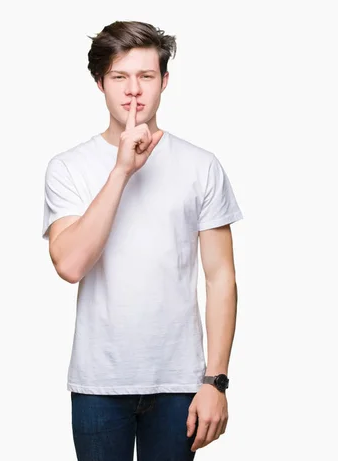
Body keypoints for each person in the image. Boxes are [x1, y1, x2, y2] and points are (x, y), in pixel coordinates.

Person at [41, 20, 243, 461]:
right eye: (119, 76)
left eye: (146, 76)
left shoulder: (200, 165)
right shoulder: (68, 167)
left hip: (180, 385)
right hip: (99, 384)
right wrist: (121, 172)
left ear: (164, 81)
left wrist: (216, 381)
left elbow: (220, 278)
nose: (133, 90)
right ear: (100, 83)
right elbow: (70, 265)